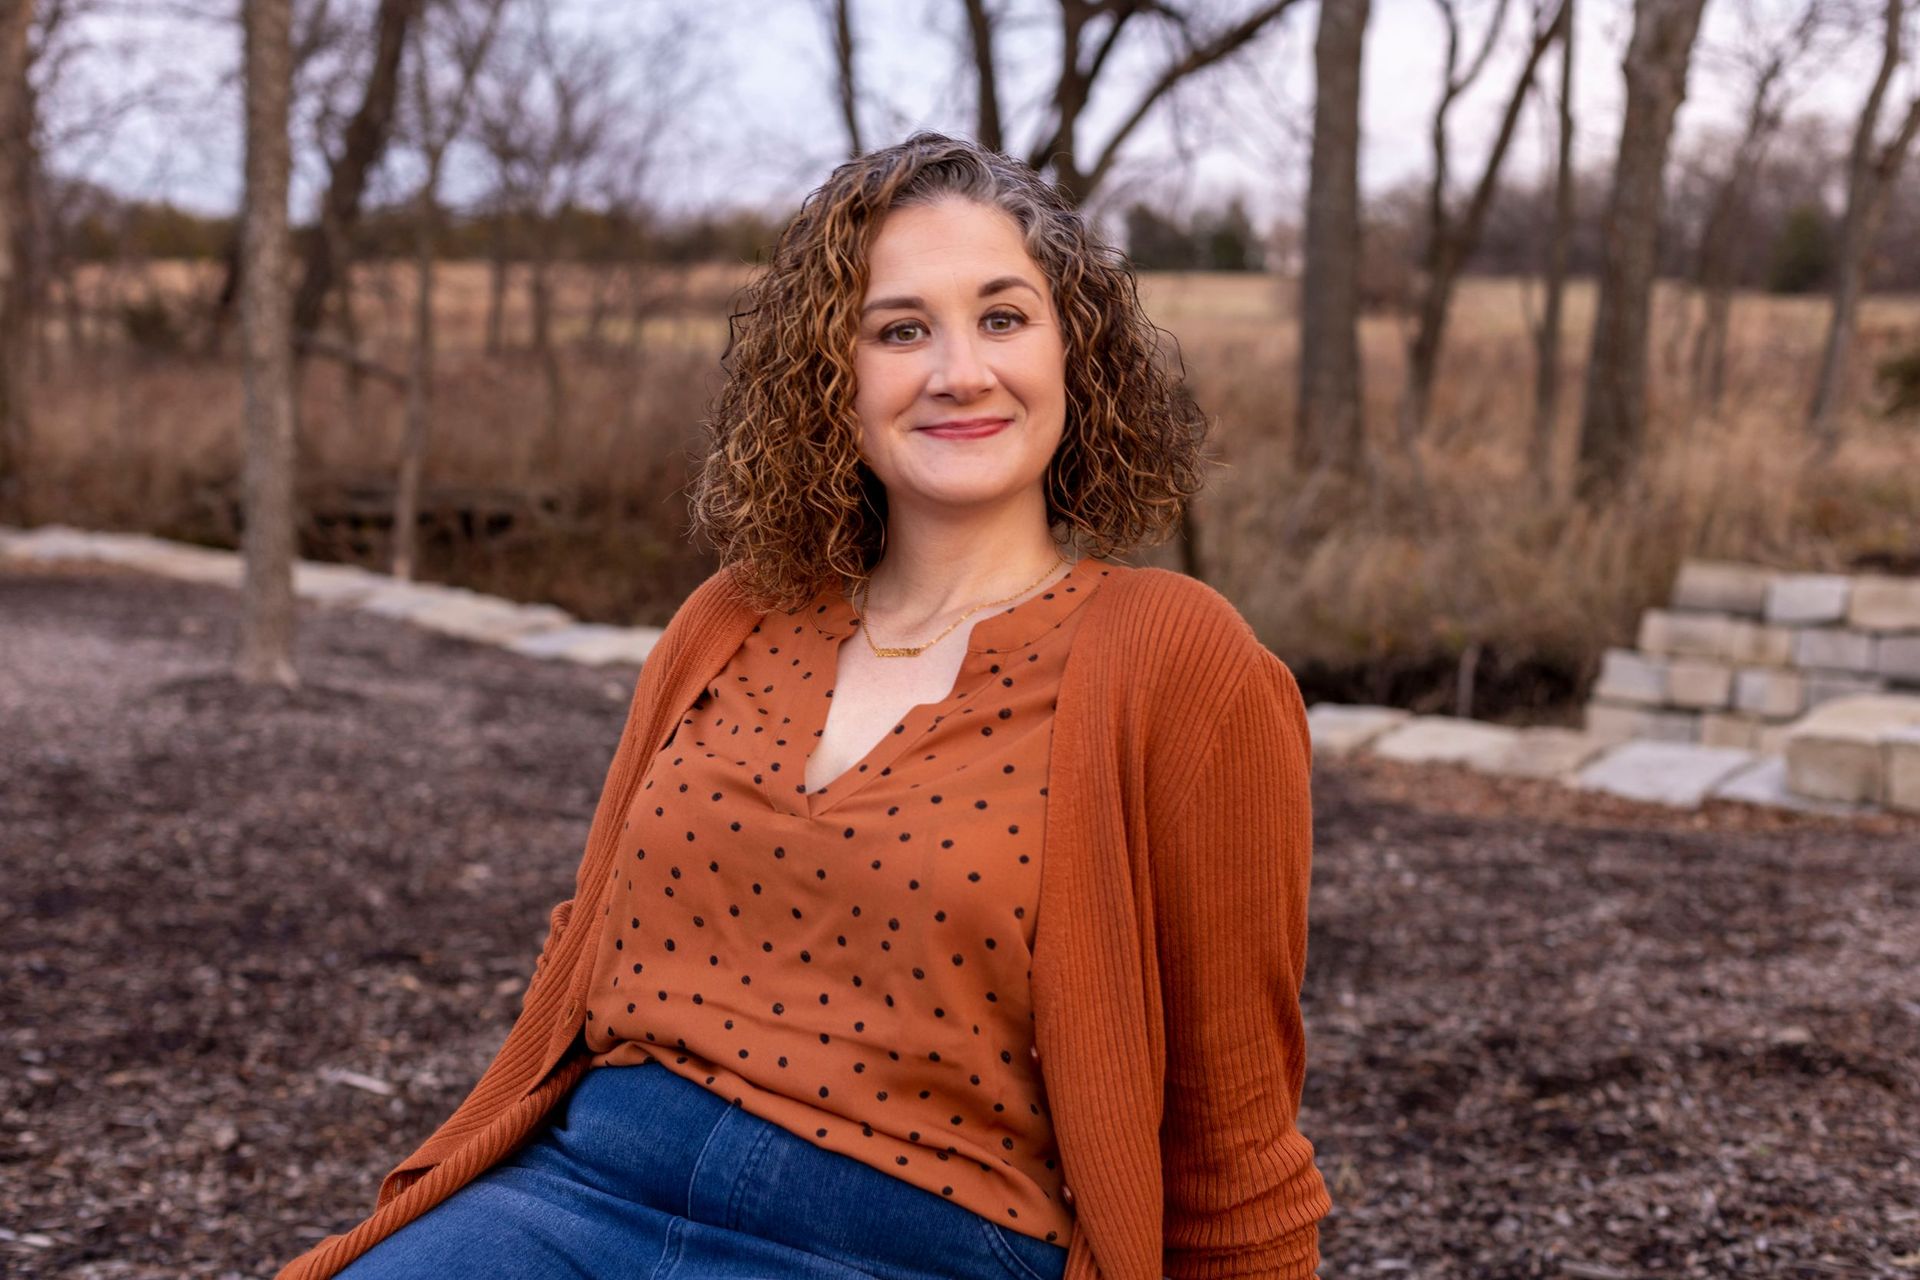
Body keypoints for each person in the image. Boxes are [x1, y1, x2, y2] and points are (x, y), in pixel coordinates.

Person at [278, 132, 1329, 1280]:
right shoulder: (731, 616)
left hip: (903, 1240)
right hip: (574, 1196)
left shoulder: (1180, 663)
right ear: (835, 374)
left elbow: (1234, 1139)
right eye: (900, 329)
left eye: (1004, 317)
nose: (960, 371)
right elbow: (584, 950)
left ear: (1078, 354)